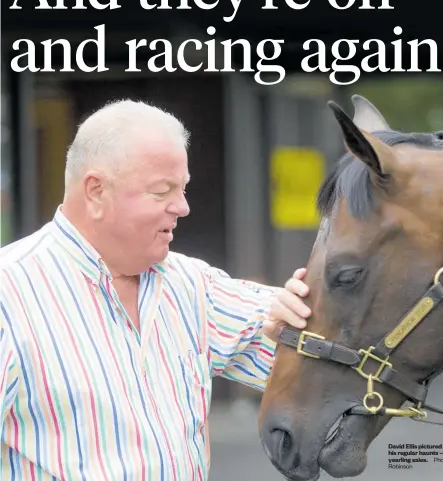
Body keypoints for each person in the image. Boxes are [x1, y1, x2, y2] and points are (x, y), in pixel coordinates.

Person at [0, 99, 311, 480]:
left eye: (182, 189)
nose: (182, 207)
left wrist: (312, 310)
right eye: (162, 191)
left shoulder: (193, 286)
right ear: (96, 191)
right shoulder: (10, 293)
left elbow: (315, 357)